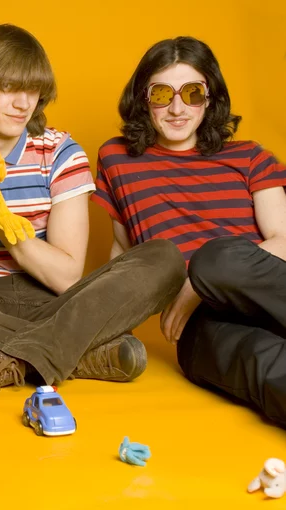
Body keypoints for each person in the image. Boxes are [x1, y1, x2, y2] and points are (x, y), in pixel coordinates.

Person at [0, 24, 186, 397]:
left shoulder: (59, 152)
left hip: (59, 304)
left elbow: (67, 276)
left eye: (32, 89)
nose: (23, 103)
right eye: (9, 87)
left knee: (164, 258)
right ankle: (75, 356)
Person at [93, 36, 286, 427]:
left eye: (192, 92)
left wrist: (198, 283)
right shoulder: (117, 160)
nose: (177, 108)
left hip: (259, 284)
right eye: (162, 94)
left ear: (209, 98)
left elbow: (282, 239)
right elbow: (124, 254)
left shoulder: (249, 156)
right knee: (265, 366)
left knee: (215, 258)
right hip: (199, 327)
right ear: (143, 99)